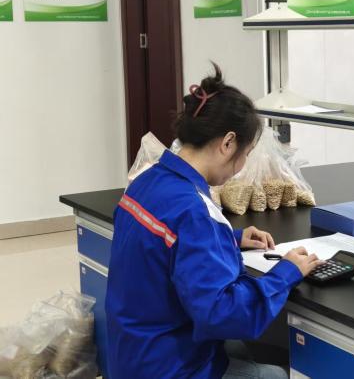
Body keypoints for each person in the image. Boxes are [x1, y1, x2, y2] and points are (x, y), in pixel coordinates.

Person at [105, 64, 323, 379]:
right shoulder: (195, 212)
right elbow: (225, 315)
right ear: (228, 143)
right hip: (169, 370)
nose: (243, 165)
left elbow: (163, 245)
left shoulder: (146, 181)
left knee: (239, 350)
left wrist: (230, 238)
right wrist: (286, 272)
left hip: (132, 356)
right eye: (246, 153)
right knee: (278, 375)